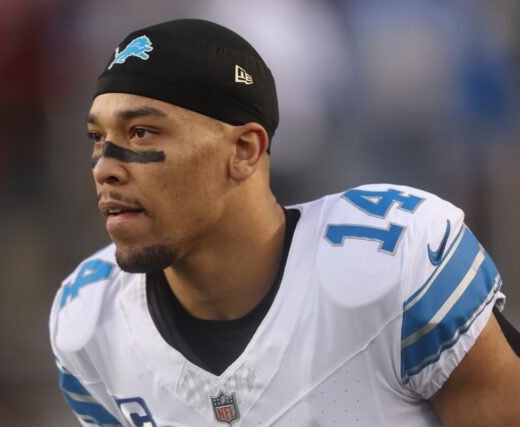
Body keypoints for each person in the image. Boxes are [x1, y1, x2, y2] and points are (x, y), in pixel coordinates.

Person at [49, 19, 520, 426]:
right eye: (97, 137)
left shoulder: (391, 263)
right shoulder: (90, 320)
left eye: (141, 132)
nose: (104, 167)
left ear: (244, 150)